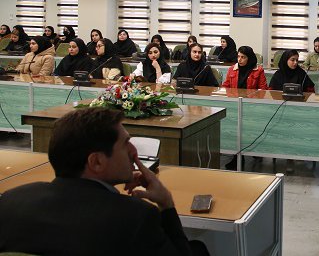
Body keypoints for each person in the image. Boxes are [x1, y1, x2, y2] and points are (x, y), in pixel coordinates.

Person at [0, 106, 207, 256]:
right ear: (96, 161)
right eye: (126, 143)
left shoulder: (10, 202)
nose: (134, 152)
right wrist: (166, 203)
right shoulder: (135, 217)